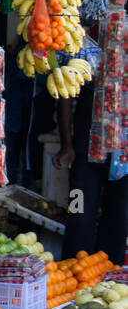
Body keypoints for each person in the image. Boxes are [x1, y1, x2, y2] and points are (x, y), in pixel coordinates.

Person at [55, 89, 128, 262]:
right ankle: (73, 272)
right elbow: (65, 93)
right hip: (83, 156)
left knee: (120, 218)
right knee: (77, 213)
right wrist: (66, 144)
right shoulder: (83, 61)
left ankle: (110, 277)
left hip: (123, 159)